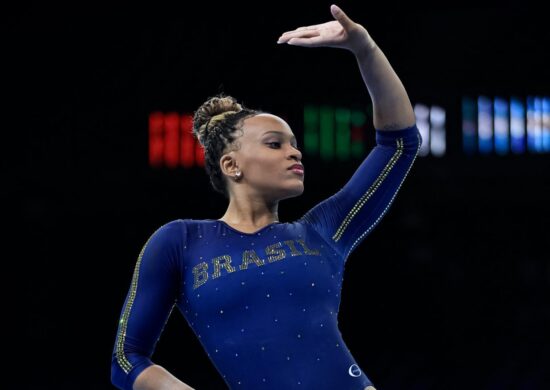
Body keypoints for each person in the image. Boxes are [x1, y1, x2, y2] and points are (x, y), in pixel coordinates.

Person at [111, 4, 421, 390]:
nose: (295, 153)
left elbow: (398, 144)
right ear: (231, 165)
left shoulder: (321, 231)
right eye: (276, 144)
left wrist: (365, 49)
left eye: (295, 145)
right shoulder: (180, 242)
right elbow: (127, 359)